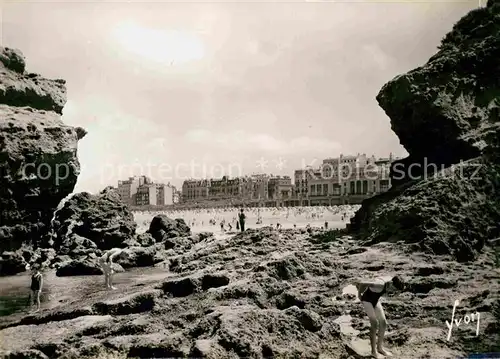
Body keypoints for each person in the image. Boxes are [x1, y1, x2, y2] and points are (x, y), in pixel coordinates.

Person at [354, 276, 405, 358]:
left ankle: (380, 348)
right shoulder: (380, 284)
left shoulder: (389, 284)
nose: (393, 291)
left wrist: (397, 291)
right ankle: (373, 352)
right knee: (374, 324)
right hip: (367, 300)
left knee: (383, 323)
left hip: (375, 300)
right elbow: (363, 284)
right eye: (394, 289)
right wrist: (359, 294)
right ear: (391, 283)